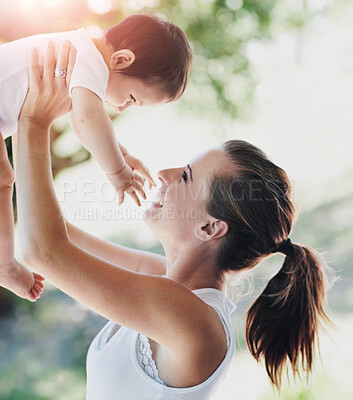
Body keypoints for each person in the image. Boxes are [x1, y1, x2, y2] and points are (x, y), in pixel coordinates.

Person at [7, 44, 332, 399]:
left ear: (209, 228)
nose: (164, 173)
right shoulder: (162, 276)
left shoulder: (195, 324)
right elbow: (49, 231)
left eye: (187, 176)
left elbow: (43, 252)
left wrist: (33, 121)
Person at [0, 14, 193, 301]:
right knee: (3, 180)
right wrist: (118, 174)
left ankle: (4, 264)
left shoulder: (81, 52)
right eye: (131, 97)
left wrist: (122, 155)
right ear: (121, 60)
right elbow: (89, 117)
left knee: (5, 179)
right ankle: (4, 265)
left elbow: (81, 122)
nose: (124, 107)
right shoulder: (88, 57)